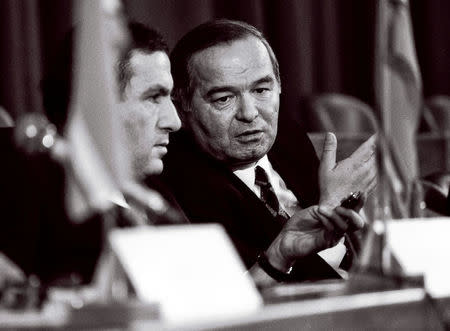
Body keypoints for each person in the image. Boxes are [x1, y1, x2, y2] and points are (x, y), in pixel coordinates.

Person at [161, 19, 376, 283]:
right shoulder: (181, 180)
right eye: (223, 99)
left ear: (279, 85)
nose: (250, 114)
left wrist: (345, 212)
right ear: (182, 104)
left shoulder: (287, 136)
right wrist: (328, 211)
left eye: (262, 90)